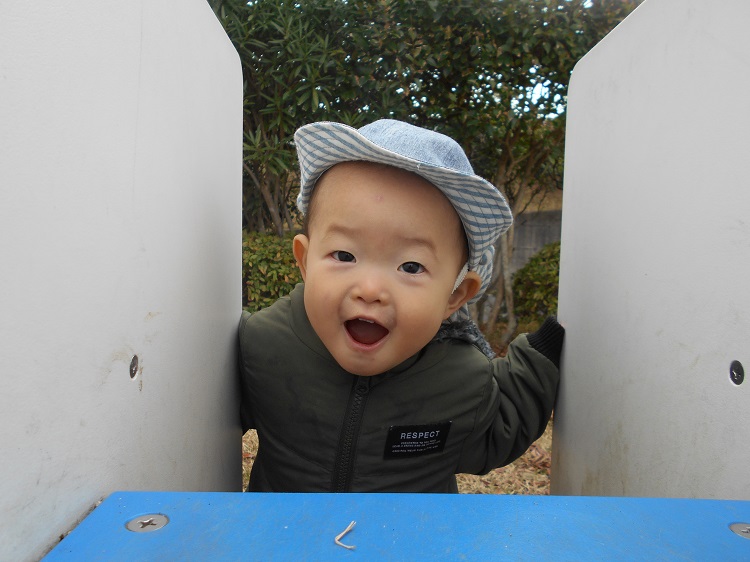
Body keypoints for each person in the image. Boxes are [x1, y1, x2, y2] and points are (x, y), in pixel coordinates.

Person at [238, 119, 564, 493]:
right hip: (287, 531)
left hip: (410, 532)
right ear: (305, 262)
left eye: (410, 266)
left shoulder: (461, 379)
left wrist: (542, 356)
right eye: (344, 255)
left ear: (455, 295)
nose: (370, 289)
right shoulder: (262, 345)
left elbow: (501, 429)